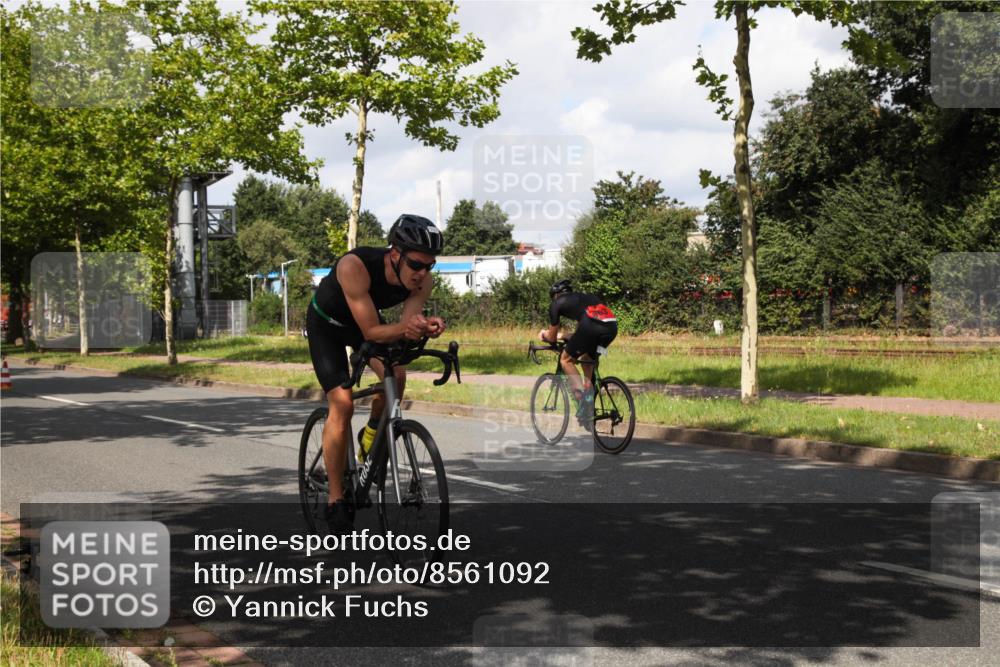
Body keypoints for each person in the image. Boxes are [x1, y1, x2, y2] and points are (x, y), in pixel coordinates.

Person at [307, 214, 446, 532]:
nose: (423, 273)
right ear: (395, 254)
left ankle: (369, 437)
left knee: (397, 376)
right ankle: (336, 498)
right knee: (341, 404)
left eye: (430, 266)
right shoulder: (354, 266)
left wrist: (422, 327)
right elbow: (372, 330)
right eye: (416, 265)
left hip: (361, 327)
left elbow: (406, 325)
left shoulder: (422, 280)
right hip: (326, 328)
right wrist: (407, 328)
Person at [539, 279, 617, 425]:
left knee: (565, 360)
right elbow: (581, 334)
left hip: (591, 328)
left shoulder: (556, 304)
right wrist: (565, 336)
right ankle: (588, 399)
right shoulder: (585, 299)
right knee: (587, 359)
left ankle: (583, 401)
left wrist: (544, 334)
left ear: (556, 295)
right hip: (612, 327)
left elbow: (552, 338)